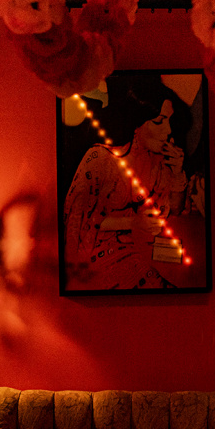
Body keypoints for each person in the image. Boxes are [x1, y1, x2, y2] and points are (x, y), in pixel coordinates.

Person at [63, 78, 191, 289]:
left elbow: (174, 211)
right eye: (159, 122)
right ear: (136, 124)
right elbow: (77, 221)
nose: (168, 130)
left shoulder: (159, 164)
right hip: (102, 257)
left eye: (169, 121)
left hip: (148, 249)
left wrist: (178, 173)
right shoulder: (99, 159)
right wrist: (131, 223)